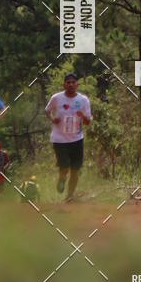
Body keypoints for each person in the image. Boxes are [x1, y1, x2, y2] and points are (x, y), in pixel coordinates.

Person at [45, 72, 91, 201]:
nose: (70, 84)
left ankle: (70, 196)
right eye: (68, 82)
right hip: (59, 139)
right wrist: (53, 119)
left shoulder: (83, 100)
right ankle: (62, 178)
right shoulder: (56, 98)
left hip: (77, 139)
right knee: (64, 166)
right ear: (64, 85)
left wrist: (82, 115)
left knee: (75, 169)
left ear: (77, 85)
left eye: (73, 82)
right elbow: (47, 110)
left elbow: (88, 122)